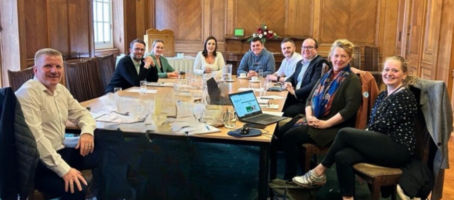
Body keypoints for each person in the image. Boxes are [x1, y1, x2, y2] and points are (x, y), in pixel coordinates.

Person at [292, 56, 418, 200]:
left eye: (395, 70)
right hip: (381, 143)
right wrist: (364, 134)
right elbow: (374, 121)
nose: (389, 73)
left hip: (398, 148)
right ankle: (348, 198)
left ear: (404, 75)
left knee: (345, 133)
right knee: (343, 156)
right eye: (386, 69)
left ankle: (318, 172)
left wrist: (362, 135)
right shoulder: (383, 94)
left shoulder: (405, 96)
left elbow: (384, 125)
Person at [15, 48, 99, 199]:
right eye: (48, 66)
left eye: (58, 66)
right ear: (35, 70)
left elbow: (83, 114)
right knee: (77, 188)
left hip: (58, 151)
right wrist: (65, 171)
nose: (54, 71)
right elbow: (37, 140)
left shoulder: (60, 90)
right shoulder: (28, 93)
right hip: (37, 164)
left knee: (103, 153)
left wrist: (86, 132)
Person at [276, 39, 362, 180]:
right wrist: (309, 116)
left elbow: (349, 109)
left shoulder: (351, 79)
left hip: (333, 127)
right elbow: (310, 98)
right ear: (330, 57)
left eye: (343, 56)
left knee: (290, 136)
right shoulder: (327, 75)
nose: (338, 60)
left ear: (349, 58)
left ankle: (289, 178)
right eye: (336, 56)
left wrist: (325, 124)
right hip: (316, 119)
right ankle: (302, 167)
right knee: (280, 131)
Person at [282, 37, 329, 117]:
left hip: (307, 101)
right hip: (295, 97)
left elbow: (314, 85)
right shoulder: (300, 63)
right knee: (277, 102)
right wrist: (288, 82)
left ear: (316, 49)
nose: (306, 49)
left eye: (309, 47)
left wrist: (295, 92)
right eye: (304, 47)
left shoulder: (320, 62)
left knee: (286, 112)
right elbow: (292, 77)